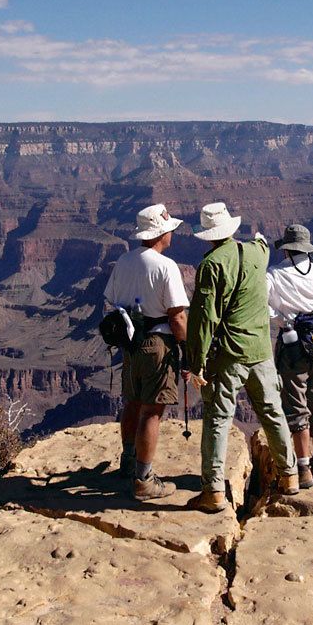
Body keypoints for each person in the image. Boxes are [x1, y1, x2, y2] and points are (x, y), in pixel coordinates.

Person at [183, 202, 298, 512]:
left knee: (218, 419)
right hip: (261, 351)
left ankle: (214, 492)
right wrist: (259, 237)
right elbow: (262, 243)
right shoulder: (257, 253)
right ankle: (290, 476)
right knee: (272, 412)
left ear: (207, 235)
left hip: (229, 355)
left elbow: (204, 318)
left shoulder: (211, 265)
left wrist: (195, 363)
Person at [103, 203, 189, 500]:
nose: (172, 235)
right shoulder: (166, 267)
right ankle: (144, 480)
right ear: (161, 233)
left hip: (130, 343)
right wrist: (187, 348)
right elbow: (177, 316)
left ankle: (127, 463)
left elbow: (111, 300)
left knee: (133, 402)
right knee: (152, 410)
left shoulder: (124, 261)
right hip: (157, 345)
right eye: (169, 230)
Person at [266, 224, 313, 490]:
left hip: (293, 346)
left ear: (286, 248)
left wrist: (281, 315)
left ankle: (303, 469)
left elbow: (267, 306)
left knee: (296, 405)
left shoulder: (274, 274)